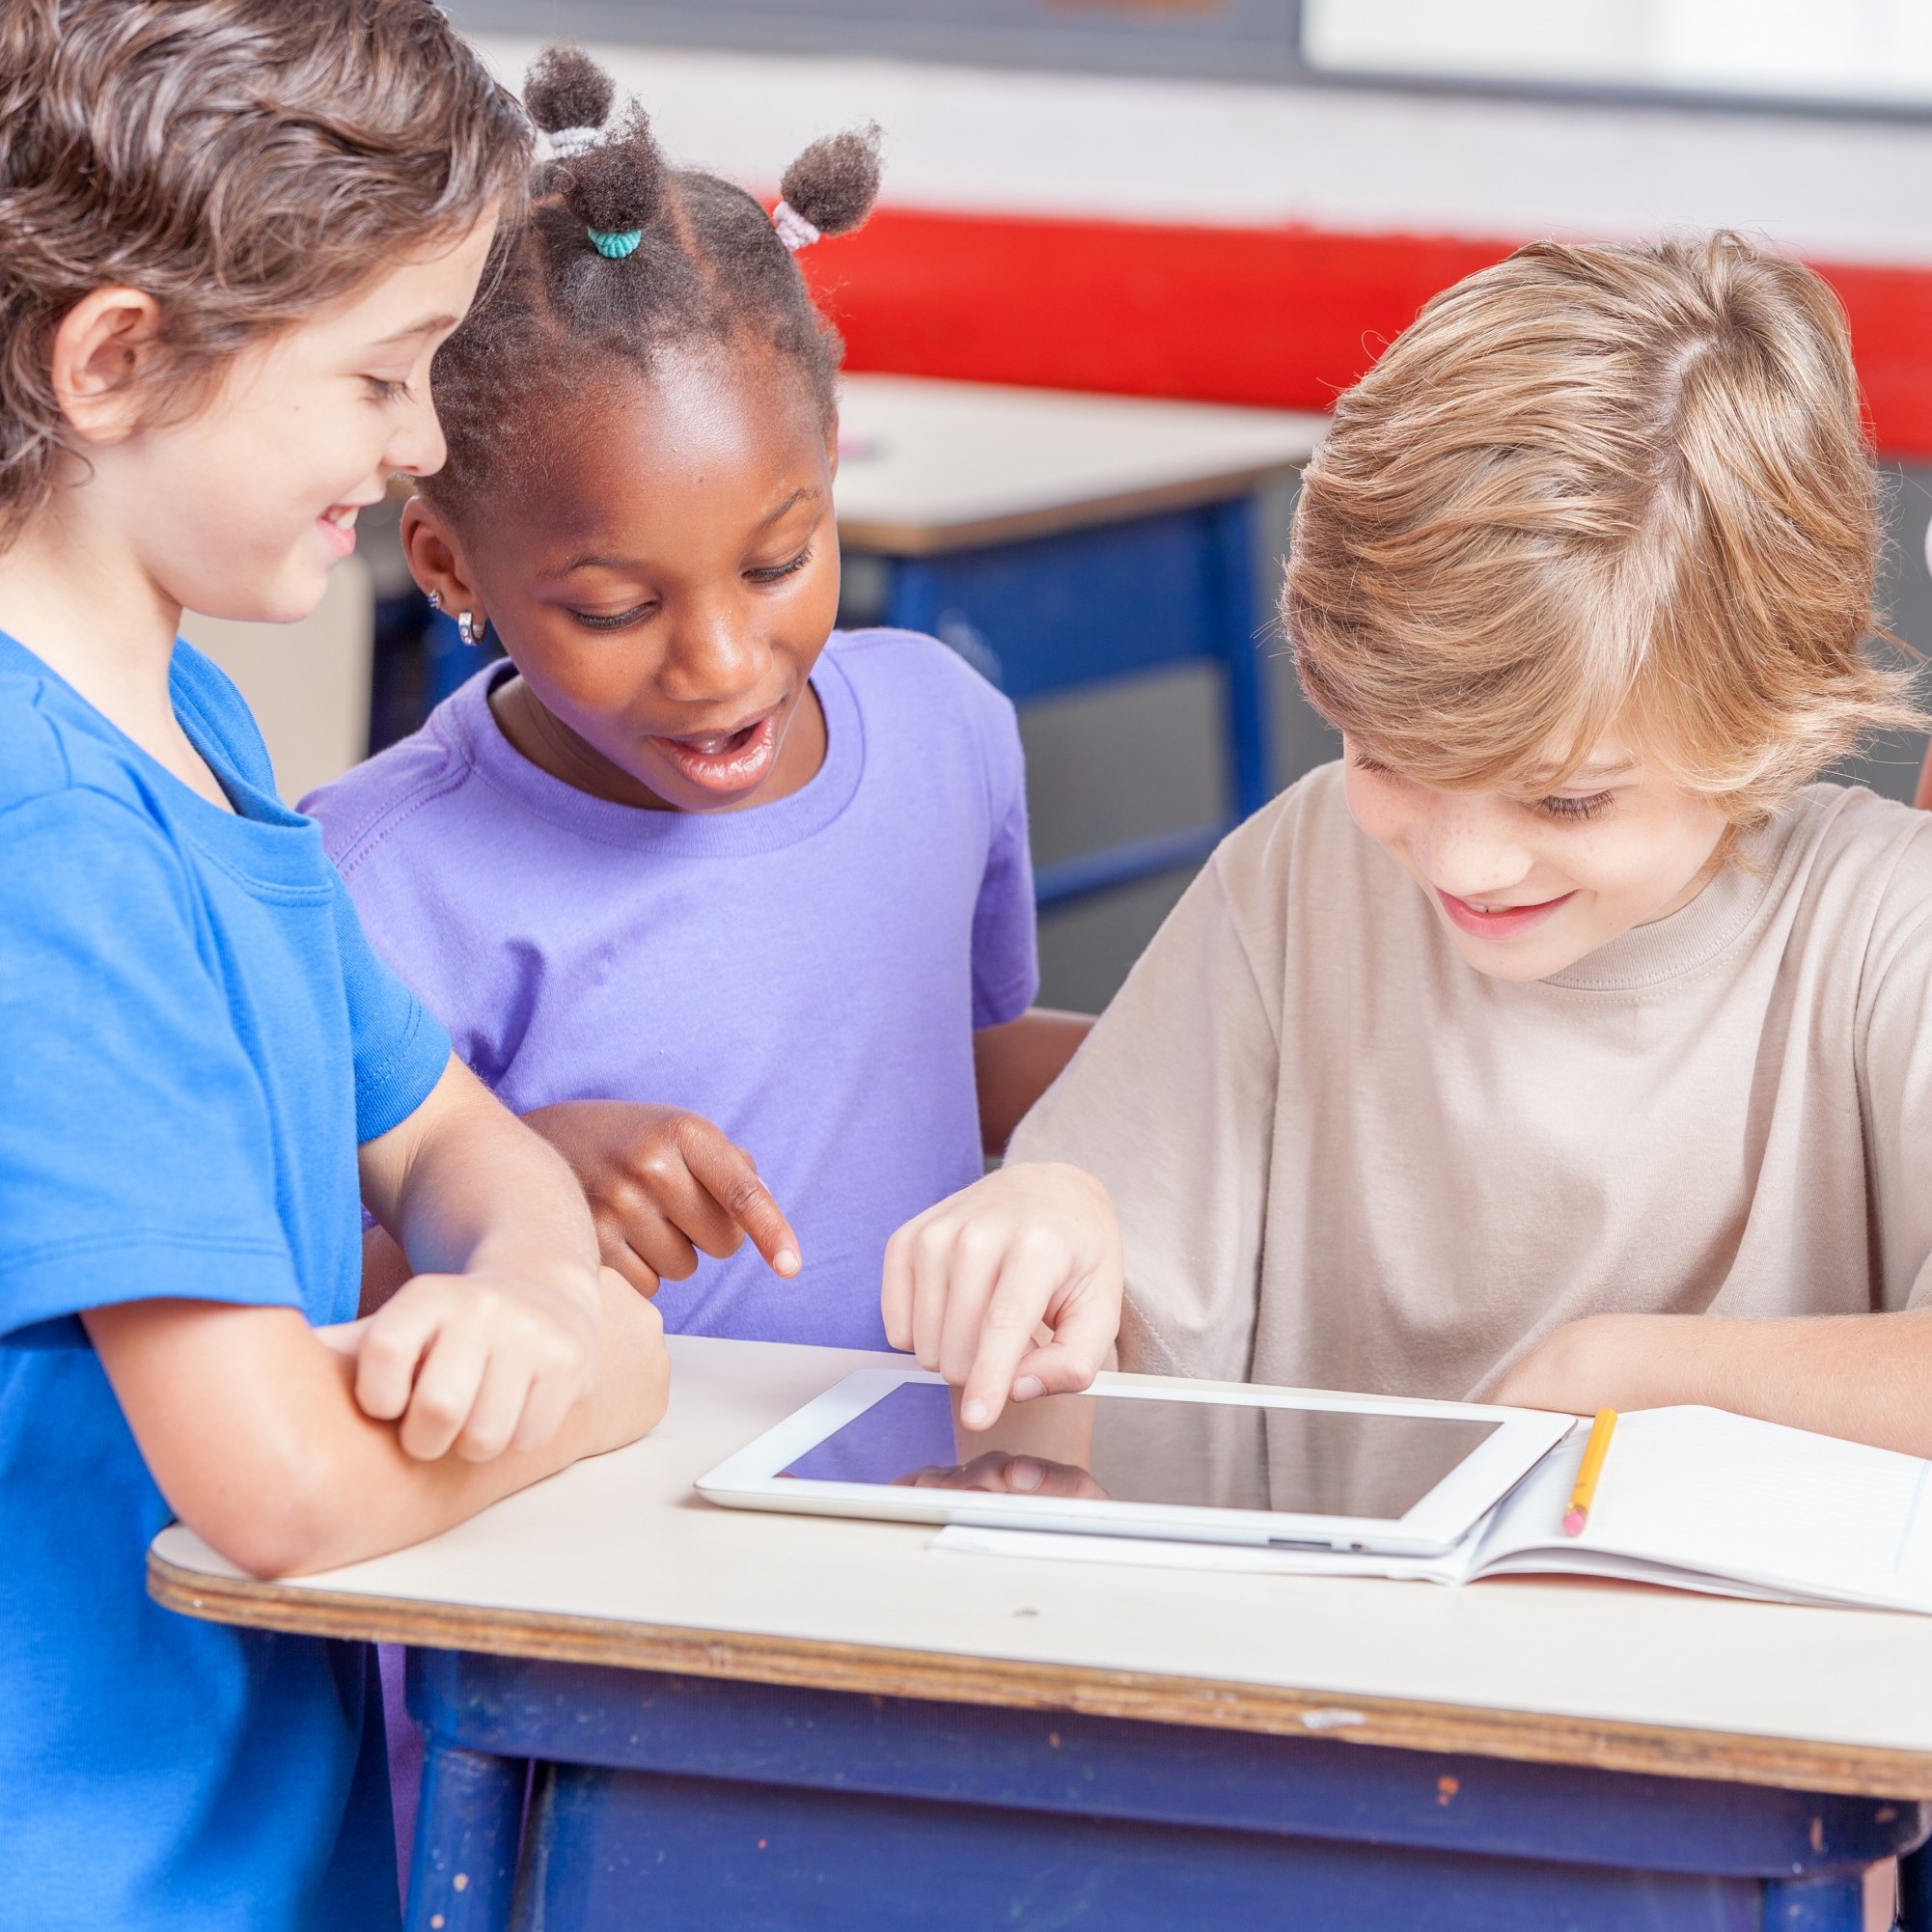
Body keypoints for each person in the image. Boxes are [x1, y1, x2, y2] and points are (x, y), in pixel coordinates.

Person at [888, 234, 1932, 1461]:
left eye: (1568, 803)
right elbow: (1086, 1348)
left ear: (1766, 720)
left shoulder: (1883, 933)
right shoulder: (1299, 873)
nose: (1464, 862)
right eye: (1381, 756)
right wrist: (1055, 1217)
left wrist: (1628, 1366)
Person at [0, 10, 668, 1930]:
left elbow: (457, 1140)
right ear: (118, 359)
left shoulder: (180, 724)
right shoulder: (47, 836)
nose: (423, 442)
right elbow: (276, 1490)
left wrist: (523, 1293)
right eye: (380, 375)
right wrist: (604, 1361)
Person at [306, 47, 1088, 1350]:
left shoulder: (943, 730)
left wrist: (1238, 1059)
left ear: (828, 464)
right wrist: (514, 1193)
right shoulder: (370, 880)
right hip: (575, 1535)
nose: (722, 661)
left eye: (777, 561)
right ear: (449, 562)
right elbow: (287, 1295)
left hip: (925, 1496)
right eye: (615, 609)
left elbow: (935, 1064)